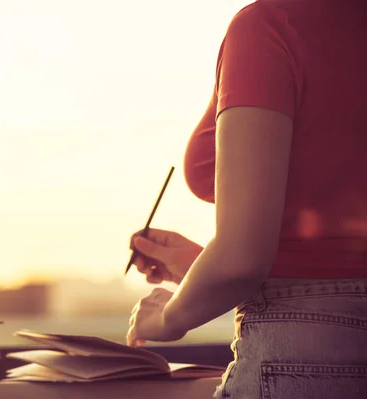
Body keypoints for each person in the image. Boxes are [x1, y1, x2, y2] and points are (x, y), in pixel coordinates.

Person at [126, 0, 367, 397]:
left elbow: (242, 260)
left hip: (300, 358)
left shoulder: (270, 26)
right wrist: (204, 266)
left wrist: (166, 318)